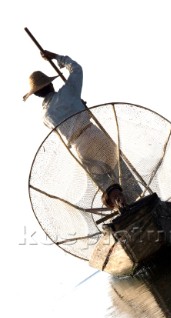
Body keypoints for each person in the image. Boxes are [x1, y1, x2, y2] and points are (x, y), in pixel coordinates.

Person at [23, 50, 127, 211]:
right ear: (50, 84)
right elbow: (76, 68)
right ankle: (133, 199)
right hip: (93, 133)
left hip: (80, 147)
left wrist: (79, 106)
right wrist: (56, 57)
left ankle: (118, 205)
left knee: (105, 182)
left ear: (36, 94)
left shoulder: (45, 117)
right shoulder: (68, 92)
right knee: (120, 171)